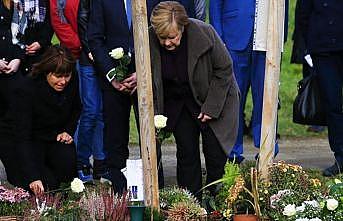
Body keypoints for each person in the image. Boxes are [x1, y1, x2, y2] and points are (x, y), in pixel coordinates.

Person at [149, 1, 240, 199]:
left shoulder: (204, 33)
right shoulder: (148, 38)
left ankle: (218, 203)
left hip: (215, 97)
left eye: (172, 37)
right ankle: (191, 204)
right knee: (186, 154)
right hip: (180, 104)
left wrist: (211, 107)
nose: (166, 43)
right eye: (162, 38)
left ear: (183, 27)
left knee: (215, 156)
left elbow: (224, 69)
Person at [88, 0, 162, 193]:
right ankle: (120, 191)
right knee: (114, 137)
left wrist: (144, 72)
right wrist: (113, 75)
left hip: (146, 78)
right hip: (113, 81)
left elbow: (163, 34)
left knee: (152, 135)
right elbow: (95, 39)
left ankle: (156, 190)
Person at [209, 0, 282, 163]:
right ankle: (232, 151)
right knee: (233, 97)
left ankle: (266, 148)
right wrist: (219, 37)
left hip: (268, 38)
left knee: (266, 96)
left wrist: (279, 36)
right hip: (233, 35)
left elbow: (281, 5)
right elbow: (215, 4)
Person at [11, 45, 81, 195]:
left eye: (66, 76)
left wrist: (68, 131)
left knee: (67, 171)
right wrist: (33, 177)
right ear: (46, 72)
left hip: (55, 137)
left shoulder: (72, 79)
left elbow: (76, 108)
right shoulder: (27, 89)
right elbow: (22, 137)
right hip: (32, 141)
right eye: (57, 76)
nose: (63, 81)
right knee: (47, 187)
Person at [299, 0, 343, 177]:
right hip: (323, 51)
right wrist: (308, 50)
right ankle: (340, 156)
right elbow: (303, 16)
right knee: (333, 105)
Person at [76, 0, 107, 182]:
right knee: (91, 110)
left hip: (108, 56)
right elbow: (82, 20)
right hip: (89, 59)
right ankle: (82, 160)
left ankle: (101, 163)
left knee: (103, 113)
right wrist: (89, 49)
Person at [0, 0, 25, 187]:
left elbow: (22, 31)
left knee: (12, 122)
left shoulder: (17, 3)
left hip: (12, 67)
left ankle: (15, 177)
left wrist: (18, 57)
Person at [291, 0, 325, 133]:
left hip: (322, 37)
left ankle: (318, 117)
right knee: (310, 79)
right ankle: (314, 115)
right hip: (308, 37)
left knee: (319, 79)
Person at [11, 0, 54, 75]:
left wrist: (41, 43)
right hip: (15, 52)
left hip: (41, 50)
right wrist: (21, 46)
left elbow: (51, 20)